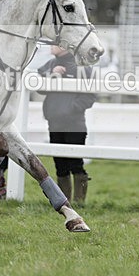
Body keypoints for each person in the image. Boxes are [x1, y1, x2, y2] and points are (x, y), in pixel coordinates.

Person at [37, 45, 96, 205]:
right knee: (60, 165)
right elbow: (39, 87)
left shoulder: (82, 67)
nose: (51, 45)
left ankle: (79, 203)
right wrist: (53, 74)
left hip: (75, 124)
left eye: (55, 43)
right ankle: (64, 204)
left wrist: (70, 109)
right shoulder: (50, 65)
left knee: (76, 164)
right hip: (54, 122)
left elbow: (90, 97)